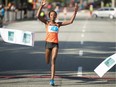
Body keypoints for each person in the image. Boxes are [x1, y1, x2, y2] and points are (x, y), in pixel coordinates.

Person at [36, 0, 78, 86]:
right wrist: (41, 6)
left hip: (55, 44)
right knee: (47, 61)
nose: (53, 16)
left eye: (54, 15)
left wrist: (75, 12)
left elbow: (70, 21)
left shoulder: (58, 24)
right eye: (51, 15)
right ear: (49, 16)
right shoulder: (47, 23)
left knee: (53, 61)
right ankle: (50, 69)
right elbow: (37, 16)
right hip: (48, 44)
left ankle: (52, 79)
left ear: (56, 16)